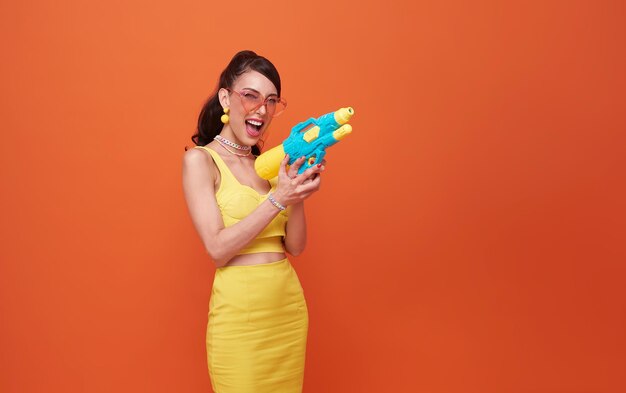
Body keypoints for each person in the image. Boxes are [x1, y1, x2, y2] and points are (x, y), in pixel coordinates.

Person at [182, 50, 323, 392]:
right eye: (251, 95)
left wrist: (296, 193)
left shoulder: (270, 165)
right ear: (226, 98)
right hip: (240, 317)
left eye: (272, 100)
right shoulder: (201, 162)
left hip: (286, 310)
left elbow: (295, 247)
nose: (262, 109)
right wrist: (278, 199)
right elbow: (218, 249)